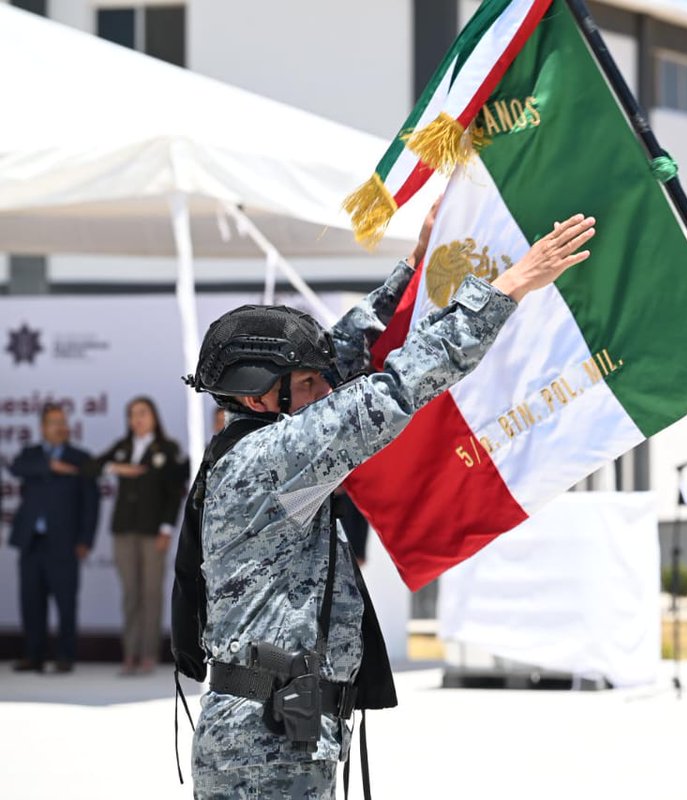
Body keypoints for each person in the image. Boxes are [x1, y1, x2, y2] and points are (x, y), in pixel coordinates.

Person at [180, 206, 595, 798]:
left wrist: (411, 267)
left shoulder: (256, 441)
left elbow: (343, 353)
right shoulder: (273, 457)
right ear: (260, 393)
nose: (327, 390)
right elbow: (394, 388)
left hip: (274, 730)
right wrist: (509, 285)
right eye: (307, 384)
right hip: (265, 745)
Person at [92, 396, 188, 674]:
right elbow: (91, 466)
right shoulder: (123, 447)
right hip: (124, 530)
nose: (137, 419)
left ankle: (149, 653)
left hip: (152, 531)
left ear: (154, 417)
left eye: (143, 413)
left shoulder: (168, 449)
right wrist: (115, 467)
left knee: (151, 593)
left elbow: (174, 494)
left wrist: (166, 529)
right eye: (133, 414)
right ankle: (129, 653)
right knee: (130, 594)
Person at [6, 403, 99, 673]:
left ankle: (65, 656)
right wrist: (50, 466)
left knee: (65, 602)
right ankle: (33, 655)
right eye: (54, 422)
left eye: (63, 421)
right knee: (31, 601)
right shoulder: (31, 455)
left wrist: (86, 540)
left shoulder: (81, 458)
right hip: (31, 541)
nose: (60, 426)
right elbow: (17, 468)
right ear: (43, 427)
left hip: (66, 542)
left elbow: (90, 505)